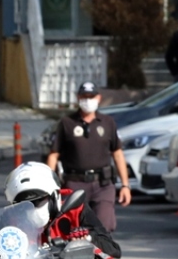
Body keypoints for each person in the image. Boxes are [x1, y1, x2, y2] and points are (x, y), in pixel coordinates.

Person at [46, 82, 131, 231]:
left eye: (91, 96)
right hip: (74, 184)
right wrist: (47, 186)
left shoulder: (107, 123)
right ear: (78, 98)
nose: (87, 100)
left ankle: (98, 253)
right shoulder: (67, 123)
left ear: (99, 98)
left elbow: (117, 154)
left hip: (103, 184)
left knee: (103, 227)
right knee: (74, 230)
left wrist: (125, 185)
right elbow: (54, 155)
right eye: (84, 97)